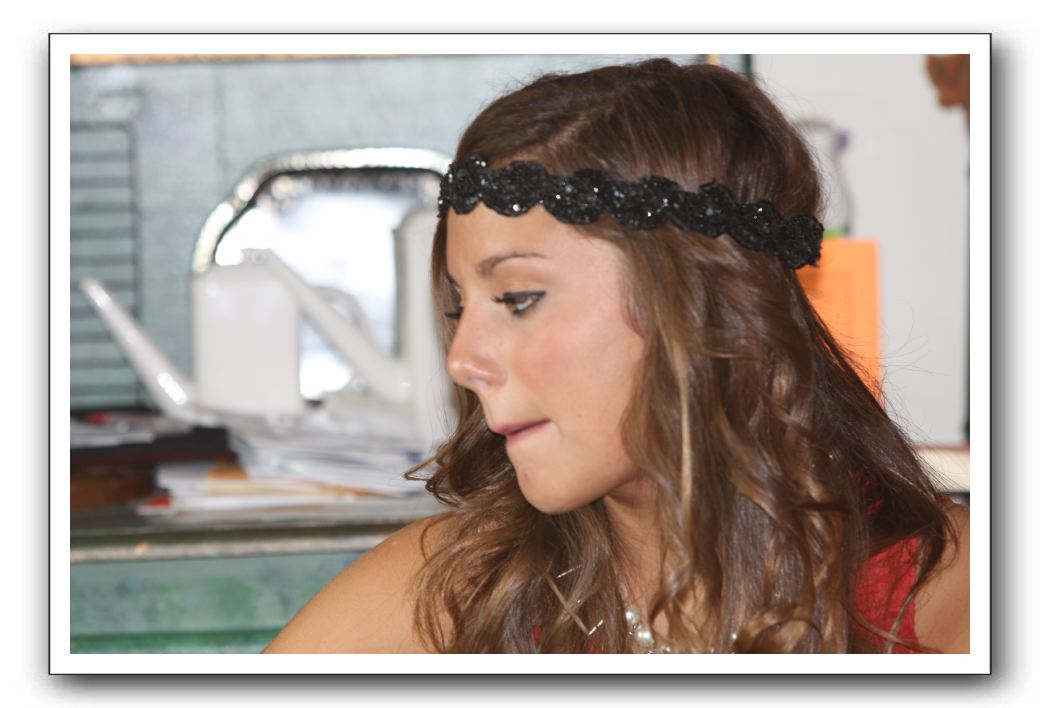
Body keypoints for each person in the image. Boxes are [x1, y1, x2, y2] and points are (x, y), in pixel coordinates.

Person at [264, 58, 969, 654]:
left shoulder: (953, 595)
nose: (462, 359)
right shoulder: (462, 588)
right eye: (457, 309)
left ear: (701, 302)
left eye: (518, 298)